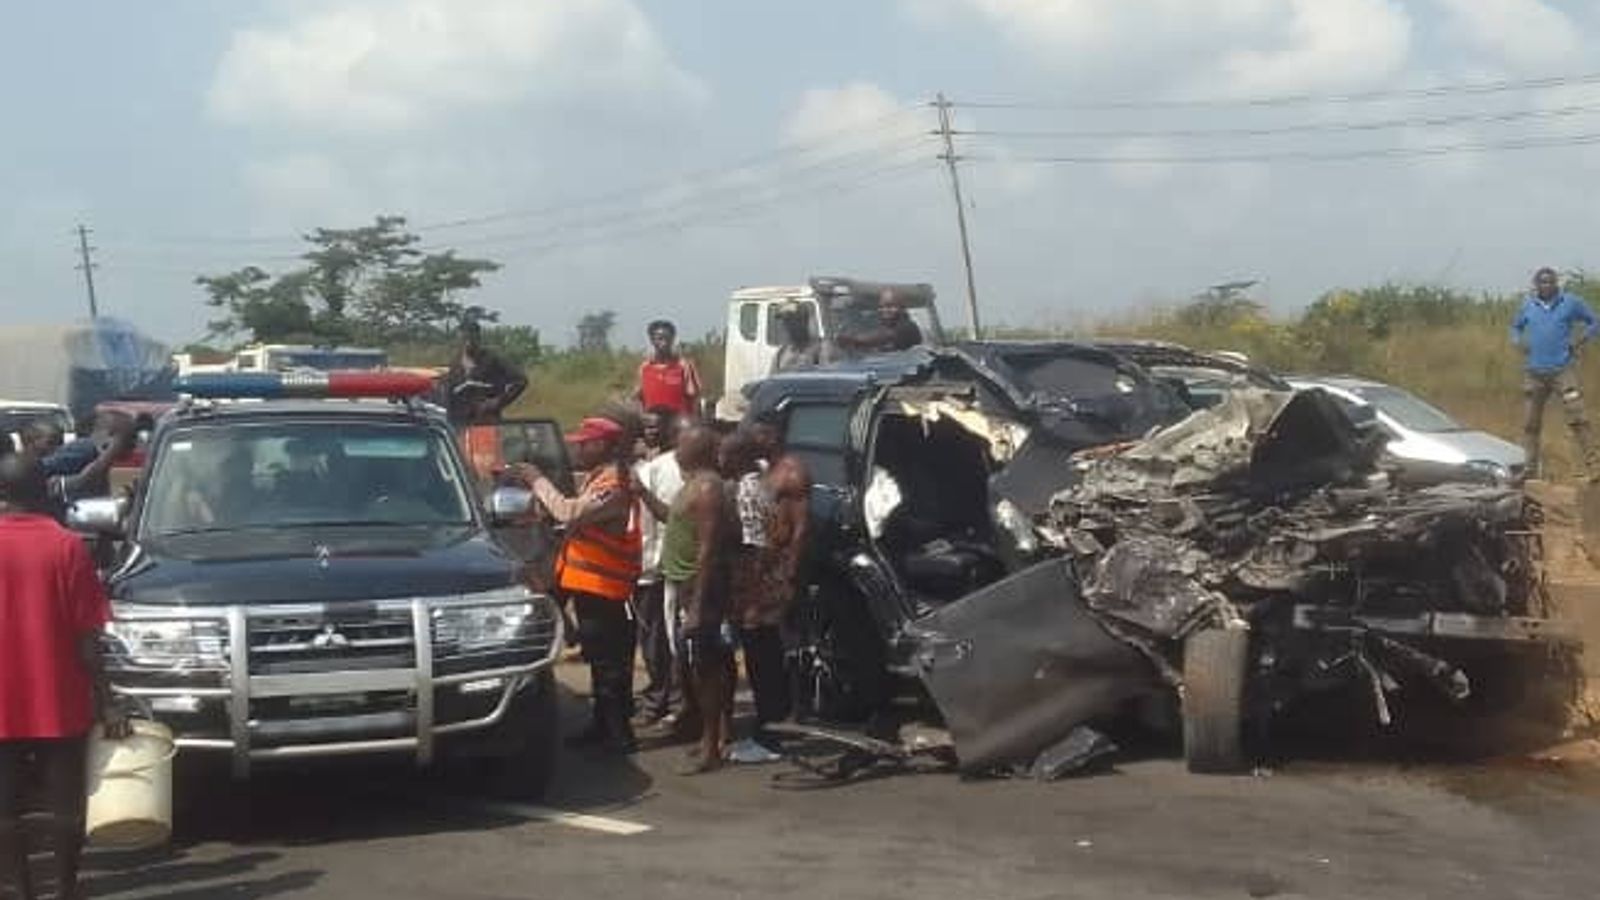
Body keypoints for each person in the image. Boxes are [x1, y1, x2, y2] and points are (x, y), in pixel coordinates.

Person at [0, 454, 129, 900]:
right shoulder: (67, 546)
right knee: (66, 805)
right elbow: (87, 637)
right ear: (45, 490)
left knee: (6, 806)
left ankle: (18, 889)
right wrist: (108, 698)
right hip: (58, 699)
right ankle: (66, 890)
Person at [511, 416, 641, 754]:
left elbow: (569, 512)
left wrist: (538, 481)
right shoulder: (601, 477)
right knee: (599, 661)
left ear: (603, 445)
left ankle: (617, 735)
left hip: (606, 588)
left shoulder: (613, 482)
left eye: (585, 443)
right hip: (591, 585)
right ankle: (603, 727)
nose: (577, 448)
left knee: (609, 666)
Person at [660, 426, 733, 774]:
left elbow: (708, 550)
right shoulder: (691, 484)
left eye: (681, 444)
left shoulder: (707, 488)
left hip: (699, 587)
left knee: (707, 668)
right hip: (684, 585)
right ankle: (709, 738)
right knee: (695, 666)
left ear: (698, 451)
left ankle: (711, 746)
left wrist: (699, 605)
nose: (675, 449)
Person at [1511, 267, 1600, 480]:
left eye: (1550, 282)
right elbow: (1515, 327)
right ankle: (1529, 470)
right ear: (1536, 285)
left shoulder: (1570, 302)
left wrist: (1579, 340)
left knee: (1578, 417)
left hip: (1563, 371)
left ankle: (1595, 466)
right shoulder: (1528, 305)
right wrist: (1517, 341)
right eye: (1542, 282)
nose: (1546, 285)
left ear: (1556, 284)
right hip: (1534, 374)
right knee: (1530, 424)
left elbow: (1594, 321)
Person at [630, 407, 687, 728]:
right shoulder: (654, 468)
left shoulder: (660, 470)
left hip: (668, 567)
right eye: (645, 426)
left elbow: (655, 520)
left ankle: (670, 701)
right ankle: (663, 698)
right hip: (656, 566)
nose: (650, 432)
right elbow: (645, 524)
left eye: (656, 427)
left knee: (670, 639)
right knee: (658, 640)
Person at [442, 318, 529, 425]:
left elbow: (520, 380)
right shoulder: (455, 364)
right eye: (464, 337)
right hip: (461, 423)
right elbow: (450, 395)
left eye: (470, 337)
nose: (467, 342)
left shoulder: (492, 359)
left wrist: (497, 402)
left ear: (478, 337)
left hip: (486, 420)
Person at [637, 320, 702, 420]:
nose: (664, 342)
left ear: (673, 339)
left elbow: (694, 398)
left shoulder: (683, 366)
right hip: (651, 422)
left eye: (667, 338)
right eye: (659, 338)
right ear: (652, 340)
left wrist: (694, 422)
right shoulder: (645, 368)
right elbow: (639, 398)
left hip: (678, 423)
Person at [835, 288, 923, 356]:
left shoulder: (908, 327)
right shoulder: (878, 324)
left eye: (890, 306)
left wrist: (854, 340)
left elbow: (883, 336)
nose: (884, 310)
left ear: (902, 308)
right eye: (881, 307)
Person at [771, 303, 825, 374]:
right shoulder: (781, 353)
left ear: (804, 321)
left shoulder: (822, 349)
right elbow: (773, 380)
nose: (786, 326)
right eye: (784, 322)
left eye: (790, 321)